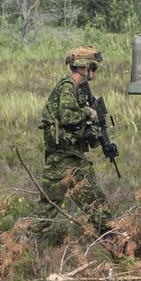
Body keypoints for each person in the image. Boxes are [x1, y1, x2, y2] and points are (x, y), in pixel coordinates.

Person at [39, 46, 113, 233]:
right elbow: (67, 117)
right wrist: (88, 112)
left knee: (52, 205)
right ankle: (112, 237)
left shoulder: (78, 89)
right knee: (88, 200)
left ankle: (110, 234)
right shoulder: (68, 87)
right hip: (64, 156)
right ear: (82, 67)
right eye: (93, 68)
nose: (95, 72)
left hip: (69, 155)